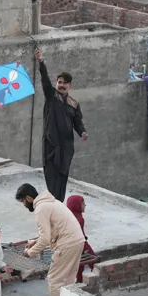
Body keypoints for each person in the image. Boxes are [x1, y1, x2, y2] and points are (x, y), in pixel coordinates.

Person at [18, 182, 85, 296]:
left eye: (23, 201)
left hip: (67, 245)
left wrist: (30, 252)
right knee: (68, 280)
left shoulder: (40, 209)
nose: (23, 205)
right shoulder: (52, 202)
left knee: (55, 279)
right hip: (77, 241)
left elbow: (45, 238)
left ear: (29, 198)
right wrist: (34, 242)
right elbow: (52, 231)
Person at [35, 48, 87, 202]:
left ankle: (59, 204)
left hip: (66, 147)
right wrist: (41, 62)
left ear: (69, 85)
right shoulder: (51, 97)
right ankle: (52, 204)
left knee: (62, 177)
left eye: (64, 83)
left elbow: (78, 122)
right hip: (51, 145)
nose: (61, 85)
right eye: (59, 82)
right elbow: (45, 80)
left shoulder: (73, 104)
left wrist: (82, 132)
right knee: (51, 178)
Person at [66, 195, 97, 283]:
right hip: (79, 244)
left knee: (78, 266)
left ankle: (78, 283)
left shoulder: (68, 216)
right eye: (83, 204)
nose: (85, 206)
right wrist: (86, 249)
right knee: (94, 262)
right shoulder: (78, 219)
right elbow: (79, 237)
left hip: (70, 246)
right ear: (76, 206)